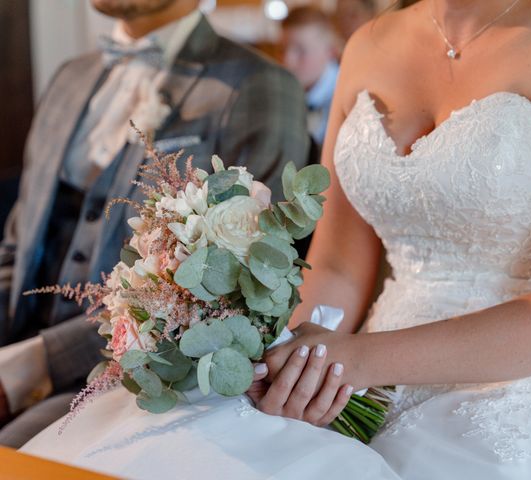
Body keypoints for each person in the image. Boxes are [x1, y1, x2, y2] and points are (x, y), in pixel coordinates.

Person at [23, 0, 531, 478]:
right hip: (351, 371)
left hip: (530, 384)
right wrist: (272, 352)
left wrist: (358, 359)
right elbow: (339, 268)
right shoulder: (370, 44)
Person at [0, 0, 313, 448]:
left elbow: (238, 293)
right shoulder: (69, 78)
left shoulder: (258, 87)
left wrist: (31, 366)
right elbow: (18, 244)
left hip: (130, 380)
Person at [281, 7, 340, 146]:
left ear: (331, 51)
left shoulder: (346, 95)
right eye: (282, 49)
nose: (287, 60)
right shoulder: (285, 90)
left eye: (300, 50)